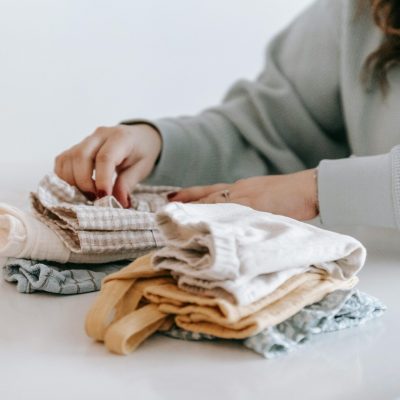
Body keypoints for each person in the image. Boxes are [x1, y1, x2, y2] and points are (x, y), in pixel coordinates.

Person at [54, 0, 400, 229]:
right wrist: (158, 142)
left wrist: (317, 189)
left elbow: (295, 189)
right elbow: (273, 129)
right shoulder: (359, 10)